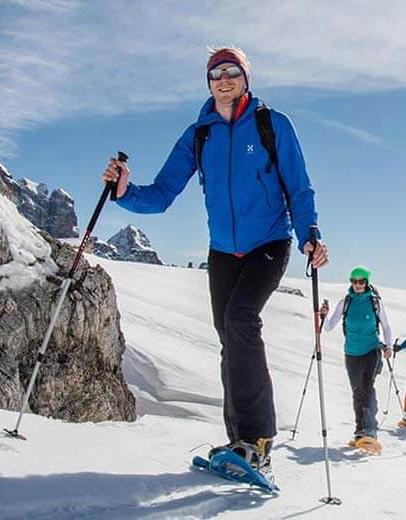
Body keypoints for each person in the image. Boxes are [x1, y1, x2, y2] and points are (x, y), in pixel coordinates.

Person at [101, 47, 328, 474]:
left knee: (241, 319)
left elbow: (299, 187)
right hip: (223, 250)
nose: (224, 80)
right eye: (216, 74)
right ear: (208, 83)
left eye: (232, 72)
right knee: (229, 336)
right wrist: (125, 192)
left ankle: (258, 441)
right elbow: (163, 194)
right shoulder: (198, 135)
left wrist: (310, 235)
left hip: (269, 241)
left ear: (246, 78)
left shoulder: (271, 125)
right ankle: (237, 443)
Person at [320, 266, 393, 450]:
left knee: (367, 386)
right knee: (357, 391)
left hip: (371, 349)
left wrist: (389, 345)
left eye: (361, 281)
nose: (357, 284)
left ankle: (370, 429)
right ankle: (360, 429)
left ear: (367, 282)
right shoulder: (345, 302)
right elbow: (328, 327)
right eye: (354, 281)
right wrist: (323, 315)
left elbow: (385, 325)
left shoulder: (375, 302)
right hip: (351, 352)